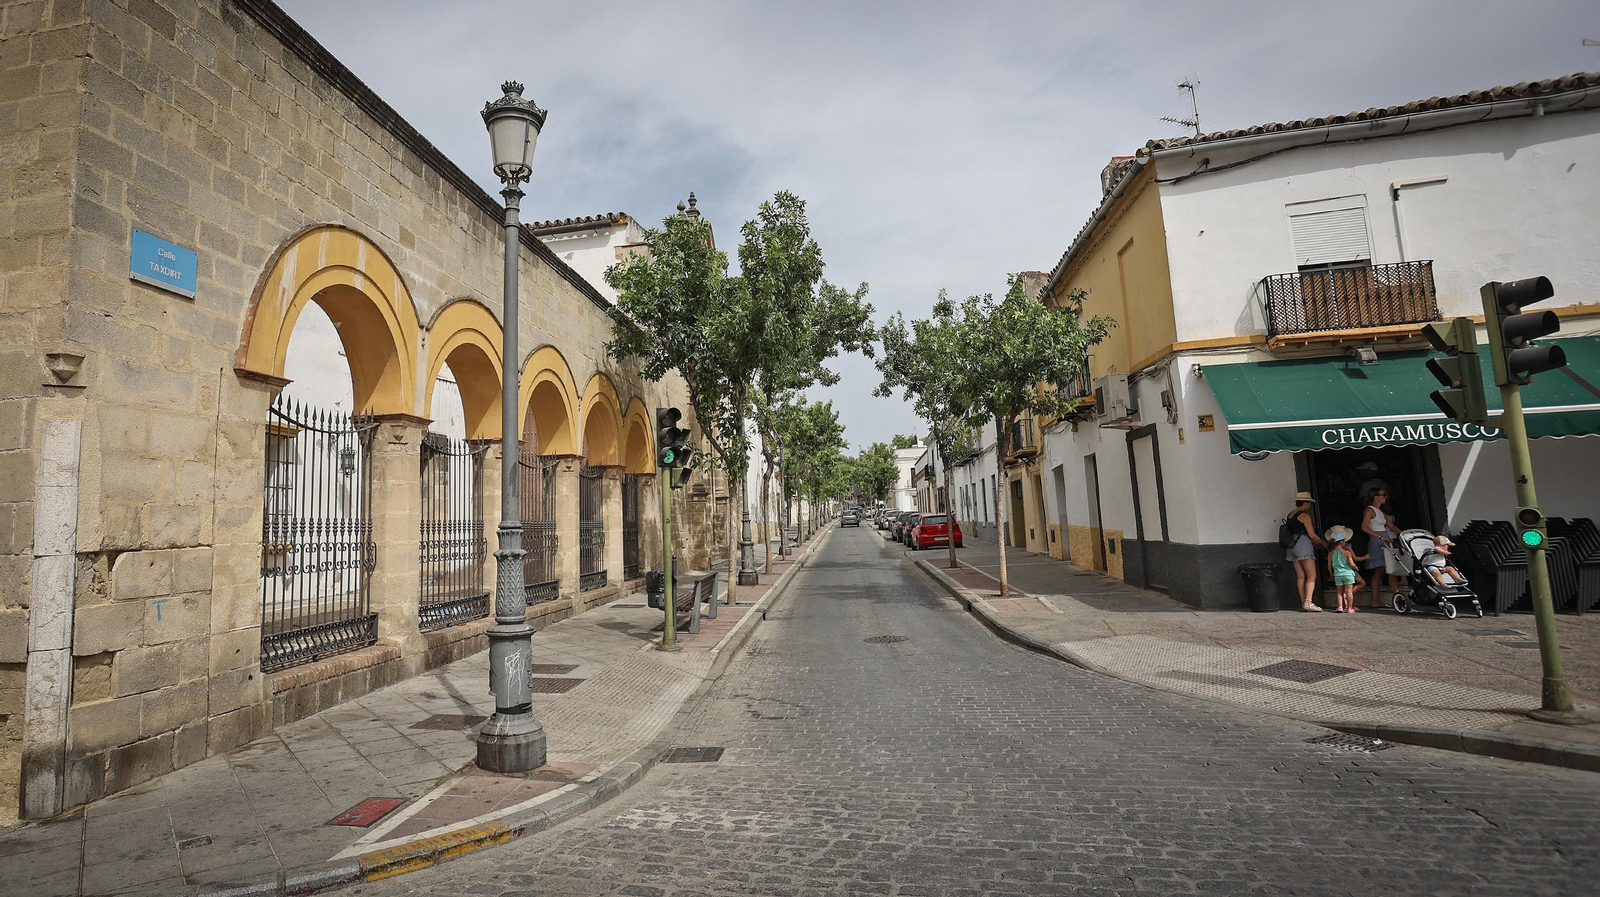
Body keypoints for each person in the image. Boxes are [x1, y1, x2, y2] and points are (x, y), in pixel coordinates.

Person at [1284, 492, 1326, 612]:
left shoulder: (1290, 514)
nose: (1310, 506)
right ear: (1305, 503)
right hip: (1303, 544)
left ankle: (1303, 603)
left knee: (1300, 576)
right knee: (1312, 575)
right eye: (1309, 504)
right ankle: (1308, 602)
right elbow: (1312, 535)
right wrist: (1325, 544)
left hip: (1292, 545)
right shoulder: (1304, 516)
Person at [1361, 487, 1402, 608]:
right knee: (1378, 570)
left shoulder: (1380, 511)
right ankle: (1375, 600)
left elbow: (1391, 525)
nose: (1385, 497)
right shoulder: (1369, 510)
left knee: (1390, 568)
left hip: (1385, 539)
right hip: (1377, 539)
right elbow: (1364, 527)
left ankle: (1396, 596)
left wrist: (1404, 534)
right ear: (1376, 497)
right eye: (1383, 495)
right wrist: (1380, 537)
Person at [1325, 526, 1367, 613]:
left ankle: (1340, 607)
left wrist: (1330, 573)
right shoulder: (1346, 552)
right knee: (1348, 592)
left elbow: (1329, 565)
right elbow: (1351, 564)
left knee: (1339, 592)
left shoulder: (1331, 553)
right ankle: (1349, 608)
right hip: (1348, 574)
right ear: (1342, 542)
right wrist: (1356, 568)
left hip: (1337, 574)